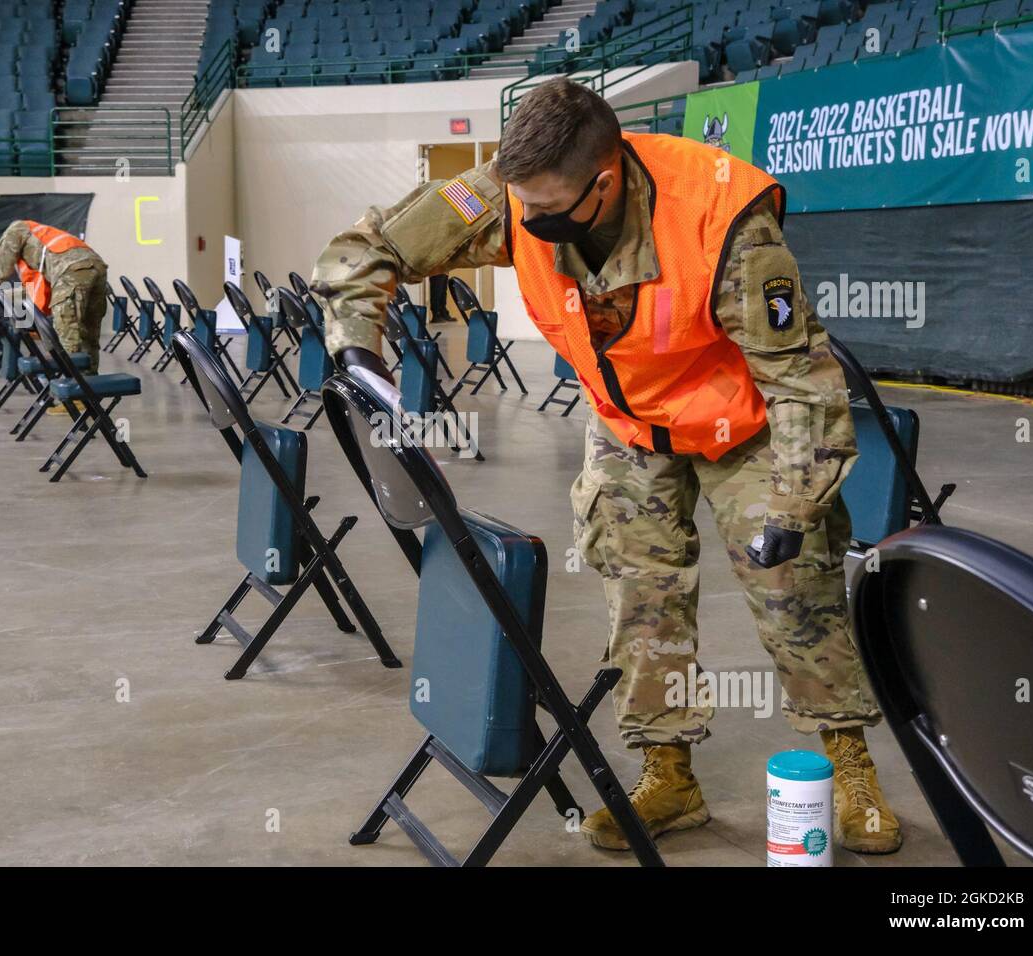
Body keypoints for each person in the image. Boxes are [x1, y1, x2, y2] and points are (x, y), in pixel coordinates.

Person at [310, 78, 902, 855]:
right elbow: (366, 249)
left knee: (796, 590)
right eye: (524, 208)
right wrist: (359, 347)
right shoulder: (518, 194)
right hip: (629, 421)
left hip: (742, 424)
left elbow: (803, 384)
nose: (534, 225)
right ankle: (669, 774)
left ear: (606, 178)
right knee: (640, 592)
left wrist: (795, 506)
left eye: (551, 211)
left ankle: (849, 766)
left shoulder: (725, 221)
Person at [0, 219, 108, 375]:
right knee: (89, 333)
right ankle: (90, 383)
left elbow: (1, 270)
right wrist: (5, 294)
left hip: (71, 269)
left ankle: (74, 386)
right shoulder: (40, 241)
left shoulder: (15, 230)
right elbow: (33, 290)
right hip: (96, 265)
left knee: (67, 330)